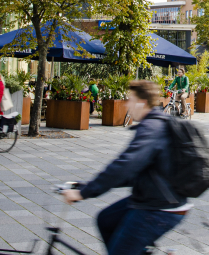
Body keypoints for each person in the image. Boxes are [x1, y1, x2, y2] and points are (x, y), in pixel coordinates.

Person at [61, 80, 188, 254]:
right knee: (105, 220)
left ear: (141, 102)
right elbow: (131, 173)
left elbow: (123, 166)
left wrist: (83, 194)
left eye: (130, 99)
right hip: (152, 197)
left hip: (161, 207)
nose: (127, 104)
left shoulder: (151, 129)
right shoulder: (153, 124)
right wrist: (87, 186)